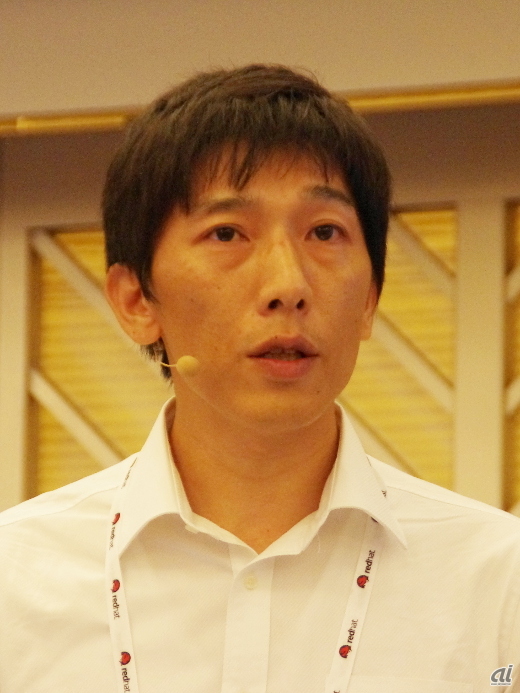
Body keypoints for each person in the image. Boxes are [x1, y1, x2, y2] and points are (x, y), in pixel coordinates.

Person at [0, 65, 519, 693]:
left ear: (369, 300)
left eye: (324, 232)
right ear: (137, 300)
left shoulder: (497, 581)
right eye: (227, 233)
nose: (287, 285)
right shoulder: (17, 579)